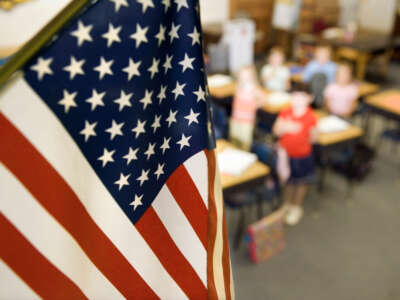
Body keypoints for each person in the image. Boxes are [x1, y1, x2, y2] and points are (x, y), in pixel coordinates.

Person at [273, 85, 318, 225]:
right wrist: (284, 127)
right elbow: (275, 132)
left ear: (310, 99)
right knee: (288, 180)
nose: (297, 99)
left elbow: (314, 138)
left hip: (302, 157)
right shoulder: (285, 112)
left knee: (301, 182)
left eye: (301, 96)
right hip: (286, 157)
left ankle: (296, 206)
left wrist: (301, 137)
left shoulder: (311, 117)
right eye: (294, 96)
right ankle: (287, 203)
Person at [230, 65, 266, 150]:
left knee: (244, 143)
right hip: (235, 119)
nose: (244, 78)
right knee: (234, 140)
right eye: (242, 76)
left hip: (246, 121)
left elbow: (264, 99)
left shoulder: (253, 89)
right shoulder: (238, 87)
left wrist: (255, 105)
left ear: (252, 77)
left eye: (247, 76)